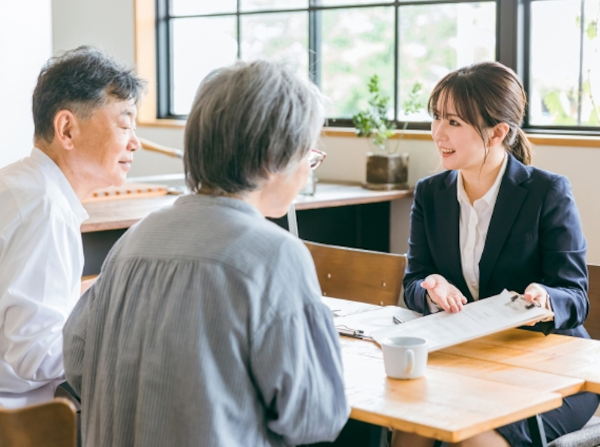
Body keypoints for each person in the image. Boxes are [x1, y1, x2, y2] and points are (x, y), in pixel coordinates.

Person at [63, 60, 349, 447]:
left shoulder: (133, 241)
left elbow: (77, 362)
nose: (307, 171)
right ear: (273, 159)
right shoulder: (274, 254)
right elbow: (315, 417)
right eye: (307, 154)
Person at [394, 62, 599, 447]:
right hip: (468, 360)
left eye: (454, 122)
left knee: (471, 438)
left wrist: (545, 297)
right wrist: (429, 287)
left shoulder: (547, 192)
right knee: (411, 427)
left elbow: (575, 296)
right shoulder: (430, 193)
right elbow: (413, 281)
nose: (438, 132)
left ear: (498, 131)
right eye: (436, 117)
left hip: (553, 367)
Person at [0, 46, 144, 408]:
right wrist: (124, 336)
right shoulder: (46, 209)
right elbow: (34, 354)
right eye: (124, 124)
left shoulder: (18, 183)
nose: (135, 143)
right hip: (22, 420)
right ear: (66, 129)